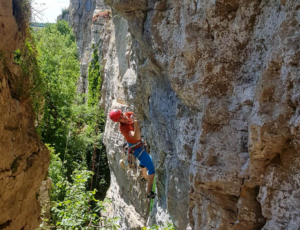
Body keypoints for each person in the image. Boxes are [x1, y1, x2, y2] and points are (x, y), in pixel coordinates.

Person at [109, 109, 155, 199]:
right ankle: (149, 192)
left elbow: (134, 113)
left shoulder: (127, 115)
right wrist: (136, 123)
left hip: (137, 146)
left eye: (122, 114)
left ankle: (145, 176)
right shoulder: (123, 128)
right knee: (152, 168)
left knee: (143, 161)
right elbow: (136, 136)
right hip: (137, 148)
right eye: (121, 118)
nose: (124, 117)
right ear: (118, 121)